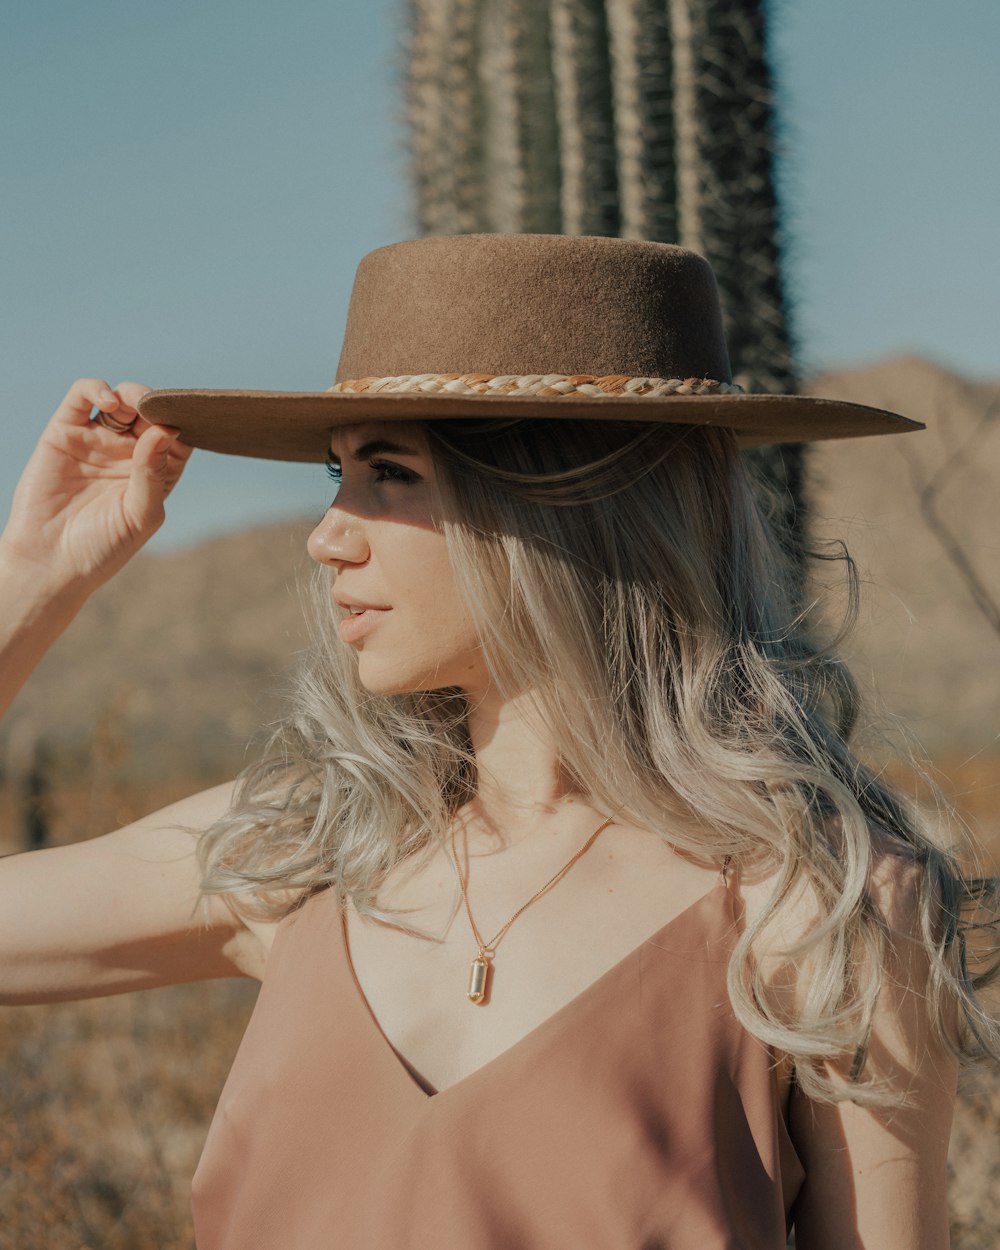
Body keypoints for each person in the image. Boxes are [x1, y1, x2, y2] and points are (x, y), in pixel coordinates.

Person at [0, 233, 994, 1250]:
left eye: (389, 473)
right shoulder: (302, 853)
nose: (326, 533)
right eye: (336, 473)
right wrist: (31, 582)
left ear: (567, 502)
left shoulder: (819, 909)